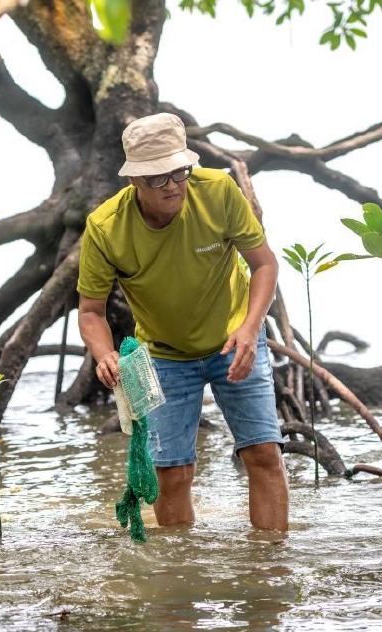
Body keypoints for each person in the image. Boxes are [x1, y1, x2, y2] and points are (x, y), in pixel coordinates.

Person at [76, 112, 289, 531]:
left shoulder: (218, 191)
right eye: (158, 178)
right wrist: (103, 354)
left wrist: (249, 329)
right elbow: (90, 312)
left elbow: (264, 265)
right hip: (161, 357)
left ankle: (270, 570)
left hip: (235, 343)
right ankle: (179, 580)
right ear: (134, 179)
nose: (173, 186)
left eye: (180, 173)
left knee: (263, 454)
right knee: (171, 474)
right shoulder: (105, 228)